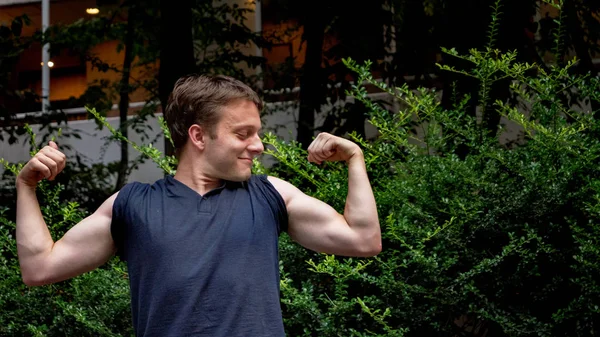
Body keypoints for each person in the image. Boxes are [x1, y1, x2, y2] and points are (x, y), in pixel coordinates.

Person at [15, 74, 381, 336]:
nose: (258, 146)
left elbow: (363, 240)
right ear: (198, 135)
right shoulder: (133, 205)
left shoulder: (271, 196)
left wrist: (355, 159)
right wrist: (26, 185)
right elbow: (39, 267)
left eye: (257, 133)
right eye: (243, 133)